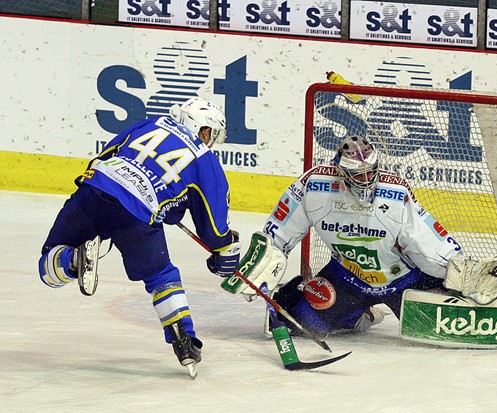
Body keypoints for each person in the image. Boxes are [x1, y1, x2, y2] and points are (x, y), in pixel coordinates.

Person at [38, 97, 241, 371]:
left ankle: (73, 260)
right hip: (136, 213)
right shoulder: (206, 161)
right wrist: (225, 248)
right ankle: (183, 338)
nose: (210, 142)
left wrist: (169, 206)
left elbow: (107, 154)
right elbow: (214, 230)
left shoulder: (152, 123)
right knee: (161, 276)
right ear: (203, 129)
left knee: (48, 265)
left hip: (94, 190)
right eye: (211, 135)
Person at [227, 134, 466, 337]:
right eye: (356, 174)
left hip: (403, 280)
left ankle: (360, 311)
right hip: (346, 279)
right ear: (340, 171)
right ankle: (357, 315)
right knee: (298, 322)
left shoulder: (395, 193)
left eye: (370, 172)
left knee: (443, 328)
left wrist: (458, 273)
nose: (365, 180)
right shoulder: (314, 185)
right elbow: (278, 234)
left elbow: (424, 242)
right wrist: (262, 268)